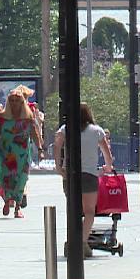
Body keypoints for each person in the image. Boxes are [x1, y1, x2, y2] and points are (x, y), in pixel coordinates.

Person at [54, 103, 114, 258]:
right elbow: (106, 152)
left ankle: (72, 241)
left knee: (73, 210)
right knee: (89, 211)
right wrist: (107, 166)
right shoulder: (96, 131)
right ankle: (81, 242)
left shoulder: (65, 128)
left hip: (70, 175)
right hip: (89, 174)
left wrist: (58, 166)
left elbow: (57, 144)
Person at [0, 88, 43, 218]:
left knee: (21, 179)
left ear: (22, 102)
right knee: (6, 178)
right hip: (6, 153)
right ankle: (7, 201)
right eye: (11, 100)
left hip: (22, 154)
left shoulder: (28, 117)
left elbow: (34, 134)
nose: (14, 103)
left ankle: (18, 207)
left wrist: (40, 149)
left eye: (17, 101)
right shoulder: (2, 117)